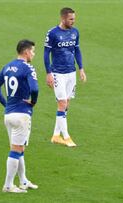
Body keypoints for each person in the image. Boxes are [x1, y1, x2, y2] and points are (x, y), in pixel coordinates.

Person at [0, 39, 39, 193]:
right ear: (26, 52)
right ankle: (8, 185)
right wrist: (33, 102)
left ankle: (23, 180)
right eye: (32, 51)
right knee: (16, 150)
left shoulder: (7, 67)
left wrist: (6, 104)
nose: (33, 54)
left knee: (19, 148)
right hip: (22, 115)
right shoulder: (28, 68)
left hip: (9, 115)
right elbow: (35, 88)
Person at [44, 7, 87, 147]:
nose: (73, 21)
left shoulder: (75, 32)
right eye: (71, 19)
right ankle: (66, 137)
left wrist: (81, 69)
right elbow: (46, 54)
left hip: (71, 72)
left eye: (74, 18)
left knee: (66, 104)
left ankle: (56, 135)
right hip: (58, 73)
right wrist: (48, 73)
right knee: (62, 103)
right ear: (63, 18)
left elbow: (77, 50)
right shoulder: (53, 33)